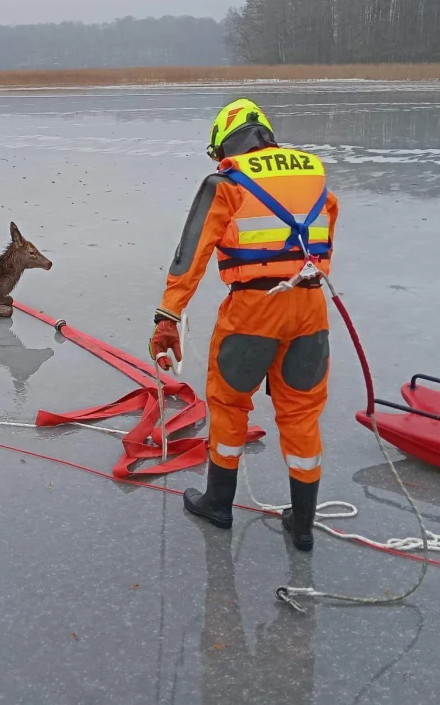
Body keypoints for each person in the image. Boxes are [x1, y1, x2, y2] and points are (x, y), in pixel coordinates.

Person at [149, 98, 338, 550]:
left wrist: (168, 316)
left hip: (253, 310)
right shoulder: (313, 176)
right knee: (302, 414)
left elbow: (190, 253)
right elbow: (327, 229)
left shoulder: (227, 181)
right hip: (311, 307)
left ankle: (219, 503)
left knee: (230, 404)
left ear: (224, 143)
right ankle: (304, 526)